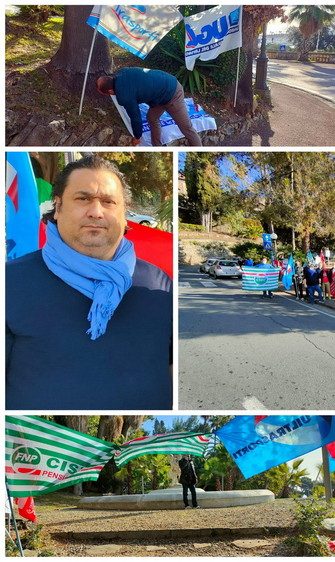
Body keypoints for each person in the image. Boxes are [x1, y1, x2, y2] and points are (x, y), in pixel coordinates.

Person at [6, 155, 172, 409]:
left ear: (124, 213)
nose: (96, 212)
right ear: (58, 206)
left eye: (108, 202)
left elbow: (172, 366)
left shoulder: (160, 284)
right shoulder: (10, 282)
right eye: (83, 199)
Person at [96, 68, 203, 146]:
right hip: (160, 92)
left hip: (172, 92)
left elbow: (135, 118)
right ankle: (157, 147)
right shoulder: (122, 72)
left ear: (110, 91)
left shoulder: (124, 96)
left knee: (187, 128)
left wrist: (137, 137)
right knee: (152, 118)